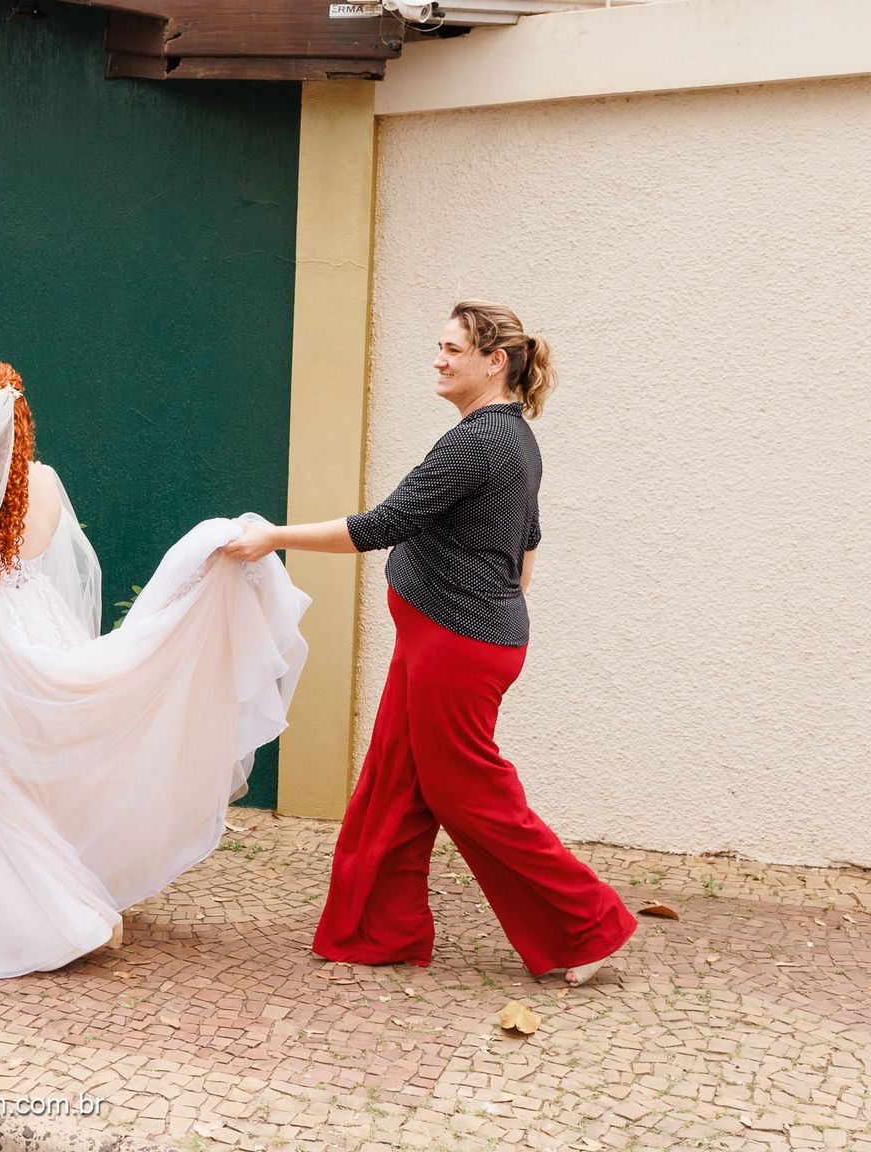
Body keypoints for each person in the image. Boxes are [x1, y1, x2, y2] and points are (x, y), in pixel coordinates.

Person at [0, 360, 310, 980]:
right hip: (30, 623)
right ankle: (61, 887)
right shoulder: (43, 482)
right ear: (25, 418)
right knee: (29, 767)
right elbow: (57, 560)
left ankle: (37, 903)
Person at [223, 303, 635, 986]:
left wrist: (274, 535)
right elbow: (525, 545)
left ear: (493, 361)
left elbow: (381, 524)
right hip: (443, 638)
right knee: (394, 783)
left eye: (453, 349)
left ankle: (588, 927)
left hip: (457, 643)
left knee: (468, 792)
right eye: (438, 347)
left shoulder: (480, 441)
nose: (439, 360)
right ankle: (376, 933)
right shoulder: (510, 439)